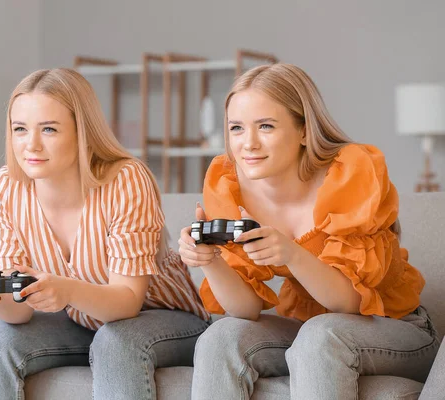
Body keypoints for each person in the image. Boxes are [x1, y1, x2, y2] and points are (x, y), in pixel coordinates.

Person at [178, 63, 440, 400]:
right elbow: (244, 309)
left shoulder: (350, 172)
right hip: (309, 333)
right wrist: (211, 260)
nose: (249, 144)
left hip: (397, 329)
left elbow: (348, 302)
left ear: (304, 131)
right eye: (237, 128)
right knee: (222, 335)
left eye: (266, 126)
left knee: (321, 334)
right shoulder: (228, 184)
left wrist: (291, 253)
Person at [0, 68, 210, 400]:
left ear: (82, 132)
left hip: (165, 318)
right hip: (81, 321)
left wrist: (65, 290)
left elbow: (127, 303)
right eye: (20, 129)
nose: (30, 144)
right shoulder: (5, 186)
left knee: (117, 340)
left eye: (48, 129)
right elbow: (17, 313)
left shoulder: (125, 179)